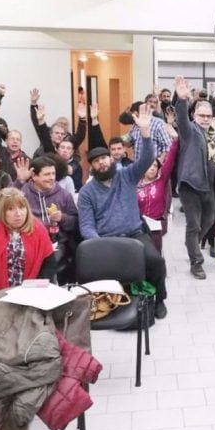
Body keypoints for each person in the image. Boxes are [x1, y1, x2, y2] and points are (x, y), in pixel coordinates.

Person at [78, 104, 168, 319]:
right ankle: (111, 302)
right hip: (106, 240)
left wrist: (145, 134)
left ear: (112, 158)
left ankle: (160, 299)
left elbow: (147, 159)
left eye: (104, 158)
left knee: (156, 262)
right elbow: (86, 225)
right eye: (96, 161)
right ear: (92, 167)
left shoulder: (126, 176)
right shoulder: (87, 192)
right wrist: (98, 243)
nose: (101, 163)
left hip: (135, 234)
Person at [174, 75, 215, 280]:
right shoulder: (190, 131)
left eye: (207, 116)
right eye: (201, 115)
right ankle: (196, 261)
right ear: (195, 115)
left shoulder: (212, 134)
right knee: (193, 225)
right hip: (190, 185)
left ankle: (191, 242)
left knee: (209, 220)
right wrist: (182, 100)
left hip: (208, 187)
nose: (204, 118)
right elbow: (182, 120)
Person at [137, 134, 179, 253]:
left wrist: (175, 142)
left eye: (155, 166)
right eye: (149, 166)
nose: (152, 168)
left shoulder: (161, 180)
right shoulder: (135, 183)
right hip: (138, 227)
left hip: (156, 226)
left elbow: (170, 161)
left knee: (156, 256)